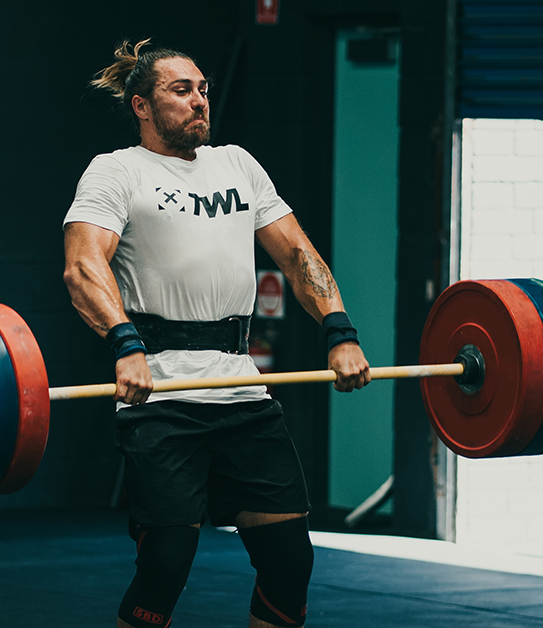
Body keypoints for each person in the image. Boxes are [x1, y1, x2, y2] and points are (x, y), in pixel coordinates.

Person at [62, 39, 371, 628]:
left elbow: (298, 255)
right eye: (181, 91)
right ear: (141, 107)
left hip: (241, 390)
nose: (200, 101)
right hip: (162, 393)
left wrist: (339, 330)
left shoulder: (238, 164)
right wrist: (125, 344)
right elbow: (83, 267)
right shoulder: (117, 170)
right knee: (167, 562)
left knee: (290, 562)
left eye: (203, 89)